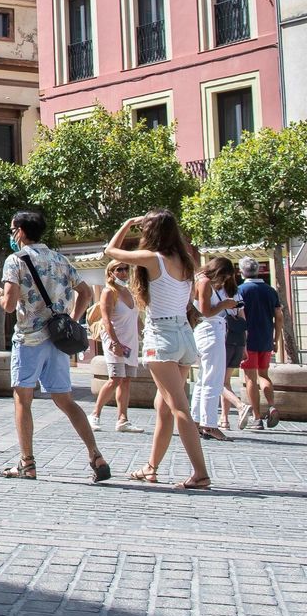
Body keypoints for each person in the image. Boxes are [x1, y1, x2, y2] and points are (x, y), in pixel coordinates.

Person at [0, 208, 111, 484]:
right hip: (57, 340)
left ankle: (27, 463)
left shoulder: (15, 260)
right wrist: (71, 319)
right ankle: (96, 455)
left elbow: (9, 305)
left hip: (29, 339)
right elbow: (85, 292)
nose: (12, 235)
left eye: (12, 230)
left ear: (21, 232)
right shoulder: (60, 259)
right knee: (65, 400)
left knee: (23, 399)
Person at [102, 210, 207, 490]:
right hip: (184, 335)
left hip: (162, 335)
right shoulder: (186, 260)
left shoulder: (153, 258)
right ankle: (151, 467)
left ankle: (200, 474)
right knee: (163, 405)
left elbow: (110, 251)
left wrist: (127, 223)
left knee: (179, 407)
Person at [90, 260, 144, 433]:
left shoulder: (130, 292)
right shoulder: (108, 292)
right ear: (110, 273)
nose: (123, 272)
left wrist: (145, 335)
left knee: (126, 380)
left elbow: (136, 318)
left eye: (126, 269)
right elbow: (106, 320)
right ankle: (95, 414)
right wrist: (115, 343)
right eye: (119, 269)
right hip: (115, 341)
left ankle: (122, 419)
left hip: (130, 342)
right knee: (115, 379)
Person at [191, 256, 240, 441]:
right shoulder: (204, 282)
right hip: (210, 330)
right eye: (225, 276)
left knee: (204, 379)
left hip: (209, 330)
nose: (225, 281)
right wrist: (224, 305)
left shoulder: (202, 280)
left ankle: (197, 421)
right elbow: (205, 311)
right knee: (213, 380)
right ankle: (209, 424)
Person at [235, 256, 284, 430]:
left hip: (247, 340)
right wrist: (276, 339)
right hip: (265, 338)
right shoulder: (270, 291)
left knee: (250, 378)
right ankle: (271, 405)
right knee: (264, 375)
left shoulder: (240, 290)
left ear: (242, 272)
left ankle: (257, 418)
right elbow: (279, 316)